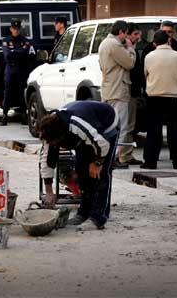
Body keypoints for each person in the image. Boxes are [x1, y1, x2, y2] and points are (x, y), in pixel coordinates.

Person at [39, 101, 119, 229]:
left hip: (106, 124)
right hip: (86, 135)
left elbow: (103, 144)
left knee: (100, 174)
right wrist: (49, 191)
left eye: (55, 142)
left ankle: (98, 217)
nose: (54, 145)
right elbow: (47, 160)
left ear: (61, 135)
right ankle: (84, 212)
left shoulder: (76, 124)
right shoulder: (49, 131)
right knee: (81, 170)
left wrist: (97, 162)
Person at [141, 30, 177, 170]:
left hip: (154, 97)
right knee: (175, 130)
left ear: (155, 43)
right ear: (168, 40)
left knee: (154, 130)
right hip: (173, 97)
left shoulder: (149, 56)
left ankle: (150, 161)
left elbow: (145, 74)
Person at [98, 20, 136, 168]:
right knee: (121, 127)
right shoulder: (115, 45)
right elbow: (129, 63)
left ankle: (107, 156)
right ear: (121, 31)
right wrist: (131, 48)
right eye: (126, 33)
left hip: (108, 89)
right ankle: (113, 158)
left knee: (108, 126)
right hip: (118, 90)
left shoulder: (103, 43)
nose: (126, 37)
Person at [0, 20, 36, 126]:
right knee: (8, 92)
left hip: (22, 69)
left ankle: (24, 115)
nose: (16, 30)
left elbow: (25, 53)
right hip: (10, 68)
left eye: (18, 29)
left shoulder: (25, 41)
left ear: (19, 29)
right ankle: (4, 115)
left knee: (22, 92)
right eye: (14, 29)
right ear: (11, 29)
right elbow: (7, 55)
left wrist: (14, 52)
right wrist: (18, 52)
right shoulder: (6, 40)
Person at [120, 22, 143, 166]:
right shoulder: (124, 50)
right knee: (125, 125)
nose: (138, 37)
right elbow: (131, 66)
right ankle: (122, 155)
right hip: (126, 91)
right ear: (127, 35)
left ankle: (127, 154)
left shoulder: (133, 49)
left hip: (133, 91)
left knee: (130, 125)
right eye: (135, 34)